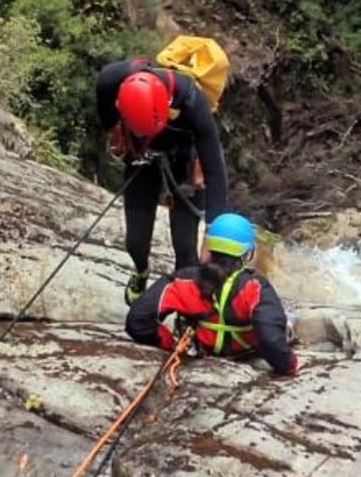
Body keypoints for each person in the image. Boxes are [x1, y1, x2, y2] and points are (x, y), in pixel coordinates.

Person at [96, 58, 230, 304]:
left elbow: (215, 172)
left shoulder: (191, 100)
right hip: (140, 153)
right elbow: (106, 119)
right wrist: (115, 133)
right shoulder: (110, 79)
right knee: (135, 241)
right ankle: (141, 270)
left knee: (185, 248)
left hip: (183, 157)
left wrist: (213, 237)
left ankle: (185, 303)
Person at [125, 213, 299, 376]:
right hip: (247, 353)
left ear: (210, 246)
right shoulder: (256, 287)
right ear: (248, 252)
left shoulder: (183, 280)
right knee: (285, 319)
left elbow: (137, 321)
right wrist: (290, 365)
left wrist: (170, 343)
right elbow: (270, 339)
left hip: (204, 350)